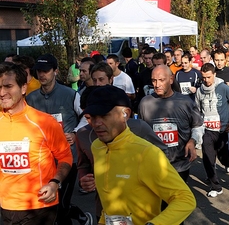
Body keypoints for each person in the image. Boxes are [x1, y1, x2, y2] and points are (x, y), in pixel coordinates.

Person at [82, 85, 196, 224]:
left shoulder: (146, 153)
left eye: (104, 115)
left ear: (126, 114)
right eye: (92, 117)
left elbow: (185, 199)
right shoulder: (96, 147)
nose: (96, 123)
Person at [0, 62, 73, 225]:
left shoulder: (44, 122)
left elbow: (66, 157)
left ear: (23, 88)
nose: (2, 92)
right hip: (6, 206)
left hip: (39, 206)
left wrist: (55, 183)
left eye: (8, 86)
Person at [26, 54, 92, 225]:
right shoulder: (31, 98)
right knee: (49, 205)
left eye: (46, 71)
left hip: (67, 158)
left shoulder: (70, 94)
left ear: (55, 71)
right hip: (42, 161)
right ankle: (77, 215)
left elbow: (86, 116)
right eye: (39, 71)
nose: (42, 75)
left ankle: (75, 216)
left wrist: (76, 132)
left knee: (61, 204)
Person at [139, 65, 203, 183]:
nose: (157, 85)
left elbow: (198, 125)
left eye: (161, 80)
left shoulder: (185, 102)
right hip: (155, 164)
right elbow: (140, 132)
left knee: (178, 199)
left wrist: (192, 141)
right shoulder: (145, 103)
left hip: (180, 165)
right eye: (154, 80)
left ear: (171, 79)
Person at [195, 63, 229, 197]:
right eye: (203, 78)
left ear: (214, 75)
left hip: (222, 130)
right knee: (208, 159)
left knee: (224, 159)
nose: (206, 80)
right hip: (207, 131)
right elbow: (197, 110)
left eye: (209, 77)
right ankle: (216, 186)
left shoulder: (223, 88)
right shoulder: (199, 91)